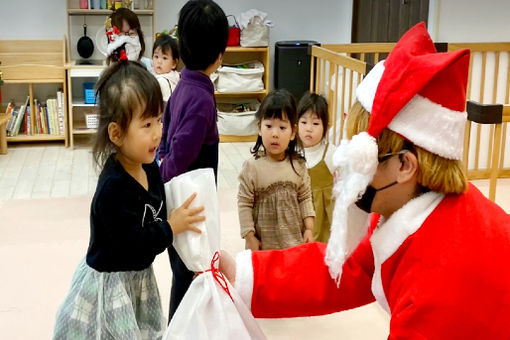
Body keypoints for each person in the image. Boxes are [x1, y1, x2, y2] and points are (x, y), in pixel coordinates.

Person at [220, 23, 510, 339]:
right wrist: (246, 275)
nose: (348, 164)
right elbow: (347, 266)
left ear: (404, 166)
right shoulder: (409, 203)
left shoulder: (440, 285)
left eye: (364, 154)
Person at [52, 61, 204, 339]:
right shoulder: (113, 188)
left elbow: (159, 213)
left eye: (159, 120)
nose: (158, 132)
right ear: (117, 134)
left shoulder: (148, 166)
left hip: (137, 279)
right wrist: (171, 228)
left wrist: (190, 256)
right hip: (112, 285)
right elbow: (134, 244)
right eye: (146, 124)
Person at [157, 0, 228, 321]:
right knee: (192, 273)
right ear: (219, 56)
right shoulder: (200, 98)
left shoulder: (184, 85)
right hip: (190, 204)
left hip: (183, 199)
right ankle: (181, 328)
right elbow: (179, 155)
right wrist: (160, 186)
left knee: (187, 273)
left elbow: (165, 137)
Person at [238, 89, 315, 251]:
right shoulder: (252, 167)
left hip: (294, 243)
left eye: (282, 127)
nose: (275, 134)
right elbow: (244, 203)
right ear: (259, 128)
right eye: (269, 126)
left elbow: (305, 198)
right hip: (263, 245)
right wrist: (249, 236)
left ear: (293, 132)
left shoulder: (298, 166)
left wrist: (309, 228)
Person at [297, 92, 335, 242]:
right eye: (304, 122)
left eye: (316, 123)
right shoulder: (292, 153)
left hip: (321, 215)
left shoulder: (330, 153)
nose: (309, 129)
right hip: (298, 210)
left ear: (327, 127)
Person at [152, 33, 180, 102]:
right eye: (156, 56)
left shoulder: (162, 81)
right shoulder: (175, 75)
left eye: (164, 58)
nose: (159, 61)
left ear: (174, 63)